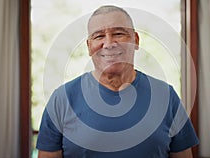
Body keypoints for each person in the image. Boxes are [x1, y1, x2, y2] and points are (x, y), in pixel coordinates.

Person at [36, 5, 199, 158]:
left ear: (135, 40)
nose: (109, 44)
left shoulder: (166, 96)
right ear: (89, 46)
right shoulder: (62, 99)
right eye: (99, 36)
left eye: (119, 34)